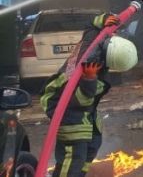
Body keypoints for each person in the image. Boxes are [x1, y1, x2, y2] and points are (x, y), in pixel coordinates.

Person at [40, 13, 138, 177]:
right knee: (74, 158)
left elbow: (91, 27)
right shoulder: (90, 53)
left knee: (93, 145)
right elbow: (81, 101)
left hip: (83, 110)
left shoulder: (98, 56)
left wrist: (104, 21)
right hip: (65, 107)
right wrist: (89, 80)